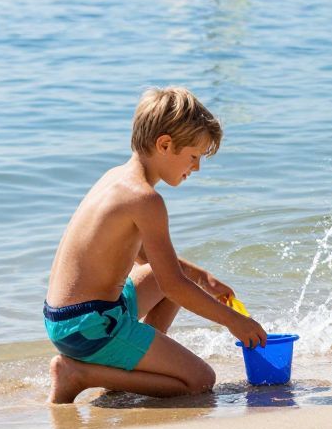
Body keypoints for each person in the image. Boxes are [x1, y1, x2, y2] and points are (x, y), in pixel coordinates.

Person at [44, 87, 266, 404]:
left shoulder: (116, 178)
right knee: (200, 381)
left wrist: (204, 278)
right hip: (89, 328)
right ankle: (80, 374)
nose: (197, 167)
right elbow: (172, 284)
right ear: (164, 144)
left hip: (71, 319)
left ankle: (131, 366)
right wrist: (235, 322)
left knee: (181, 279)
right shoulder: (146, 200)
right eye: (193, 156)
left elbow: (142, 256)